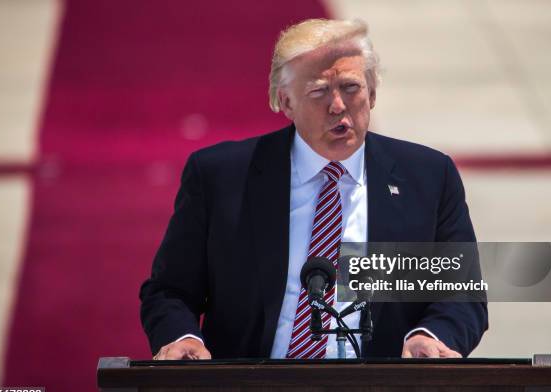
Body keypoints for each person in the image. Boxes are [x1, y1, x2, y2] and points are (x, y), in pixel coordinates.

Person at [140, 19, 488, 360]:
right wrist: (183, 338)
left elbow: (461, 296)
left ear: (373, 93)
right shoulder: (222, 177)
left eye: (351, 88)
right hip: (250, 388)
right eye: (319, 91)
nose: (337, 105)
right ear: (286, 102)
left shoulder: (427, 178)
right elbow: (170, 291)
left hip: (381, 390)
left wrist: (429, 336)